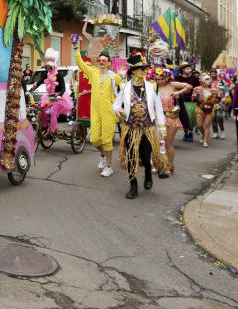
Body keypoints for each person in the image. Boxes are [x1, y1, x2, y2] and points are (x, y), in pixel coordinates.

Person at [113, 52, 167, 199]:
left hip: (147, 128)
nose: (145, 71)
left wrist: (162, 129)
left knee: (145, 155)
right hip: (130, 128)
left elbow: (159, 110)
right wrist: (119, 111)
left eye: (145, 69)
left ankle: (148, 172)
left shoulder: (152, 87)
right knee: (131, 157)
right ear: (134, 71)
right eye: (142, 69)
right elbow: (116, 105)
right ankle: (133, 186)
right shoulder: (123, 86)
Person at [72, 34, 122, 177]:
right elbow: (80, 63)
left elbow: (125, 89)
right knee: (94, 139)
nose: (101, 62)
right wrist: (76, 47)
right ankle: (103, 156)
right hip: (95, 112)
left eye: (104, 60)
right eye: (99, 60)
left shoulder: (114, 76)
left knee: (107, 140)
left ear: (109, 63)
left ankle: (109, 166)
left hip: (108, 112)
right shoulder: (93, 73)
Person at [153, 67, 191, 175]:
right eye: (157, 79)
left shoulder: (172, 85)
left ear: (167, 78)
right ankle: (157, 164)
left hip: (171, 117)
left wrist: (179, 92)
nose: (159, 81)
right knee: (156, 143)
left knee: (168, 144)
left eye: (161, 79)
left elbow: (189, 86)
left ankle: (170, 165)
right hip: (157, 118)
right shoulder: (153, 87)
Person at [192, 73, 221, 148]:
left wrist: (218, 97)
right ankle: (204, 134)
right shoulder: (196, 89)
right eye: (207, 79)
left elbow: (218, 100)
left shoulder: (215, 90)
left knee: (207, 125)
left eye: (210, 79)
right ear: (202, 80)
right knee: (199, 125)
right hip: (200, 108)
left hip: (210, 109)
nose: (209, 81)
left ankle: (205, 141)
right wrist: (195, 97)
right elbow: (193, 99)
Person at [175, 62, 199, 142]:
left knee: (190, 117)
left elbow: (197, 89)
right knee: (182, 117)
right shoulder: (177, 78)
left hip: (191, 100)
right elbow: (175, 88)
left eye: (190, 68)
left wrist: (195, 95)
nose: (189, 70)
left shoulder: (194, 79)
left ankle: (190, 133)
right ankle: (186, 132)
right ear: (182, 70)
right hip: (180, 100)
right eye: (187, 68)